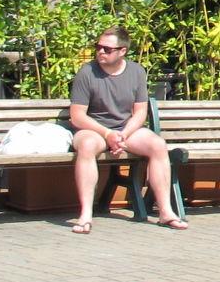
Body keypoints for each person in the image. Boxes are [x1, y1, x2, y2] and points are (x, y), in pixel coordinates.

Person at [67, 27, 183, 234]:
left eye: (107, 49)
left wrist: (124, 134)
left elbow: (140, 112)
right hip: (94, 128)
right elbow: (77, 116)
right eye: (98, 47)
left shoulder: (136, 71)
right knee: (86, 146)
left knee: (158, 145)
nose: (100, 52)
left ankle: (165, 211)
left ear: (122, 51)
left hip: (125, 129)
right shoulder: (87, 72)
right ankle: (85, 214)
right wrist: (107, 134)